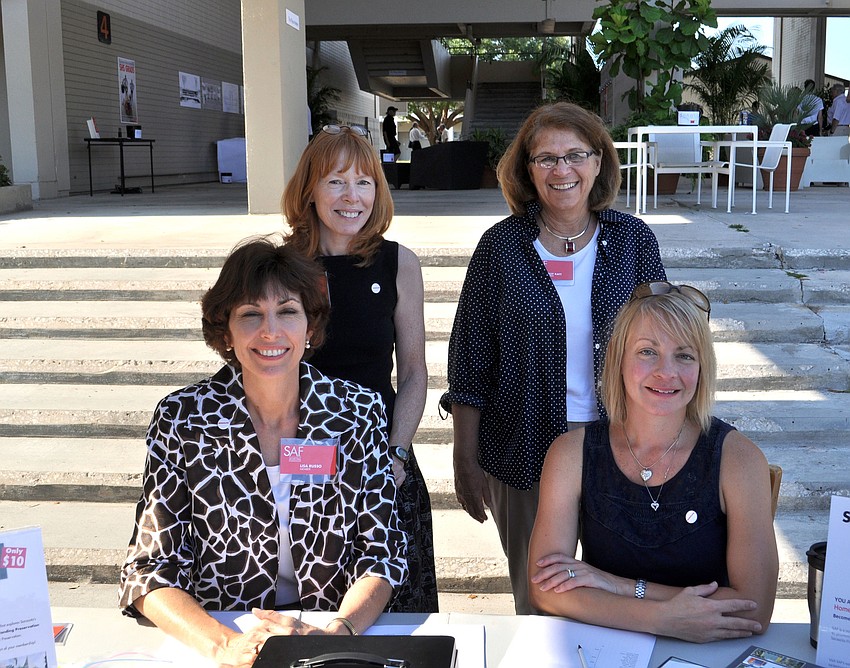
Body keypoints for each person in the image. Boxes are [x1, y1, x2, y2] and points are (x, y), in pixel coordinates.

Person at [119, 238, 407, 664]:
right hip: (224, 635)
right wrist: (225, 644)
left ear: (311, 327)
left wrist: (333, 634)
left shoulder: (356, 412)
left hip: (330, 633)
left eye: (287, 311)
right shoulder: (184, 419)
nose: (270, 331)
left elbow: (381, 553)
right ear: (225, 332)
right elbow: (148, 570)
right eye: (251, 314)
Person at [440, 102, 666, 614]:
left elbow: (664, 346)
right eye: (545, 159)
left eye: (575, 155)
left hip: (622, 447)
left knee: (625, 593)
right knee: (541, 597)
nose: (561, 170)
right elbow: (470, 361)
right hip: (522, 450)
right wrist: (464, 459)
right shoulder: (499, 247)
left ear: (599, 162)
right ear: (526, 170)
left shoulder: (634, 241)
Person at [528, 282, 778, 643]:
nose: (667, 372)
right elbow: (545, 587)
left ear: (702, 368)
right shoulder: (570, 453)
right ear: (618, 359)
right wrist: (660, 618)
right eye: (648, 352)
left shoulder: (738, 459)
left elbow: (753, 607)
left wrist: (616, 585)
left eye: (685, 355)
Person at [282, 123, 437, 612]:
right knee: (316, 609)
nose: (352, 196)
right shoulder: (282, 267)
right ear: (310, 190)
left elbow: (413, 372)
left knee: (394, 613)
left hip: (380, 458)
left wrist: (395, 455)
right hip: (302, 458)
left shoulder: (399, 264)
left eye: (364, 182)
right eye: (336, 181)